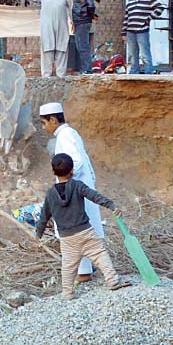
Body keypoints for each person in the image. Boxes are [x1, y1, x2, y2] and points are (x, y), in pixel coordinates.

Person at [36, 153, 128, 300]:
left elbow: (44, 216)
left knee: (68, 266)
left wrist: (38, 234)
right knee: (99, 253)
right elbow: (94, 196)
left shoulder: (50, 194)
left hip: (67, 237)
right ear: (72, 170)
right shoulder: (77, 185)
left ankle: (68, 293)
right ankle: (112, 280)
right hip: (85, 231)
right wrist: (110, 205)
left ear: (53, 172)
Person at [39, 101, 103, 282]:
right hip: (79, 190)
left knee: (75, 230)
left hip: (74, 193)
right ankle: (87, 269)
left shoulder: (65, 135)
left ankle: (83, 273)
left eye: (44, 123)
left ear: (53, 119)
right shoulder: (69, 133)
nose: (44, 128)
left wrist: (66, 186)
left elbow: (77, 162)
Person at [1, 0, 73, 77]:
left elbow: (71, 9)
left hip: (62, 29)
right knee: (47, 51)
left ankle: (61, 78)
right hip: (47, 30)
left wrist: (73, 23)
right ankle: (46, 79)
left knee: (61, 51)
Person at [122, 0, 164, 74]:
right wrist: (124, 32)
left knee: (145, 53)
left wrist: (148, 18)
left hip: (142, 30)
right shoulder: (130, 2)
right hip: (130, 31)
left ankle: (148, 71)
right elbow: (126, 17)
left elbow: (160, 8)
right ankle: (134, 71)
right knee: (132, 54)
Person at [71, 0, 96, 74]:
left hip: (82, 21)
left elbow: (91, 5)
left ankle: (87, 69)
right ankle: (84, 69)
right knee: (80, 46)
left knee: (83, 46)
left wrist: (87, 16)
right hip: (79, 21)